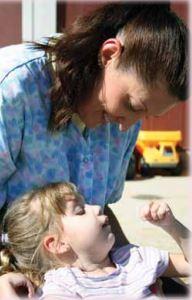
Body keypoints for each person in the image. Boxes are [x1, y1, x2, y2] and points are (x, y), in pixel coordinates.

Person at [0, 2, 188, 243]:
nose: (126, 127)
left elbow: (100, 207)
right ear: (109, 55)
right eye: (133, 105)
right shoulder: (13, 88)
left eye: (145, 114)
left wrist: (131, 268)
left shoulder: (124, 120)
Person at [0, 182, 190, 299]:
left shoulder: (135, 257)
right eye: (80, 210)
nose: (98, 207)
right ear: (57, 244)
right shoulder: (63, 286)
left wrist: (172, 226)